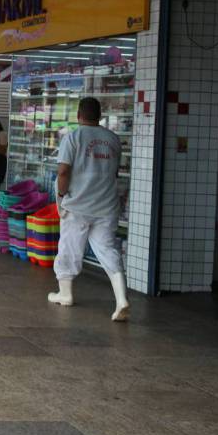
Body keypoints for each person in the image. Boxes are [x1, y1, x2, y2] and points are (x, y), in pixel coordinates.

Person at [47, 97, 129, 322]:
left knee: (69, 249)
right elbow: (113, 173)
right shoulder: (112, 139)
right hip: (106, 206)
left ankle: (65, 294)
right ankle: (121, 299)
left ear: (78, 116)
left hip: (78, 206)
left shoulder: (73, 137)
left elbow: (63, 172)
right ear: (100, 116)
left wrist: (61, 197)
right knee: (107, 250)